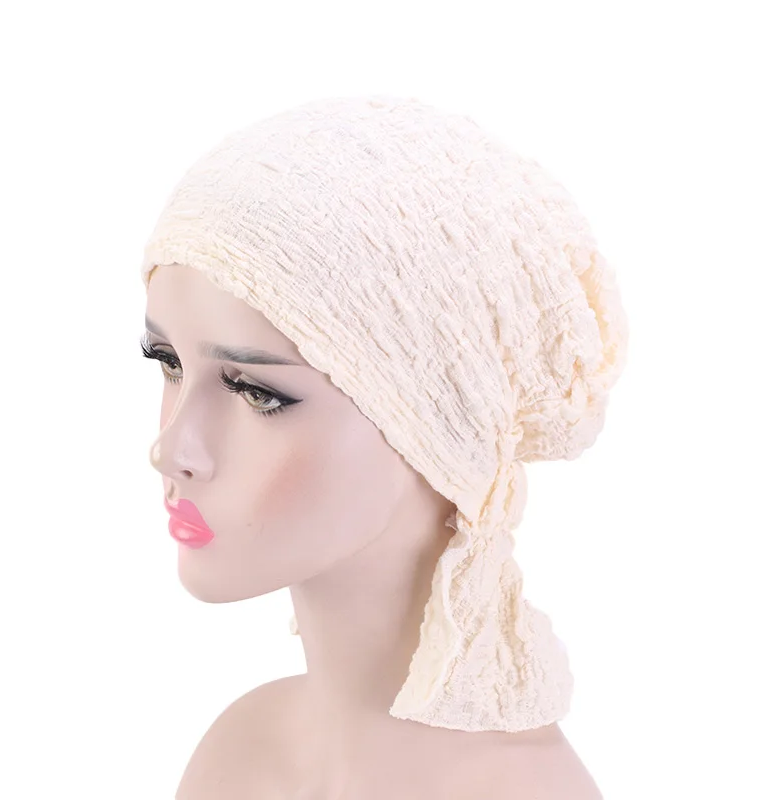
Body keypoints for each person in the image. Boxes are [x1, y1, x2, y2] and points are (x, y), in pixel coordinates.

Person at [140, 94, 628, 798]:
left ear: (439, 425)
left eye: (257, 393)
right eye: (167, 363)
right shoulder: (239, 750)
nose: (172, 449)